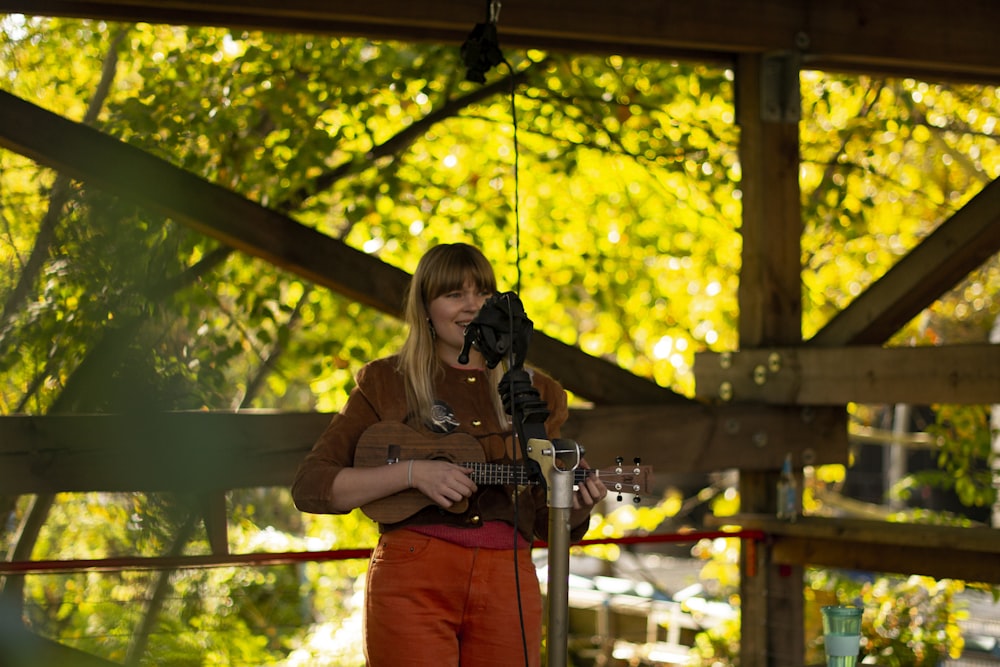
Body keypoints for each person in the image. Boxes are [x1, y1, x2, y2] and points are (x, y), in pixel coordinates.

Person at [291, 242, 607, 667]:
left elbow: (546, 523)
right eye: (454, 294)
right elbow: (312, 487)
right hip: (413, 575)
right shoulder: (387, 382)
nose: (472, 307)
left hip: (508, 579)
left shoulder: (535, 391)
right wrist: (413, 474)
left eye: (483, 294)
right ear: (425, 305)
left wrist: (578, 506)